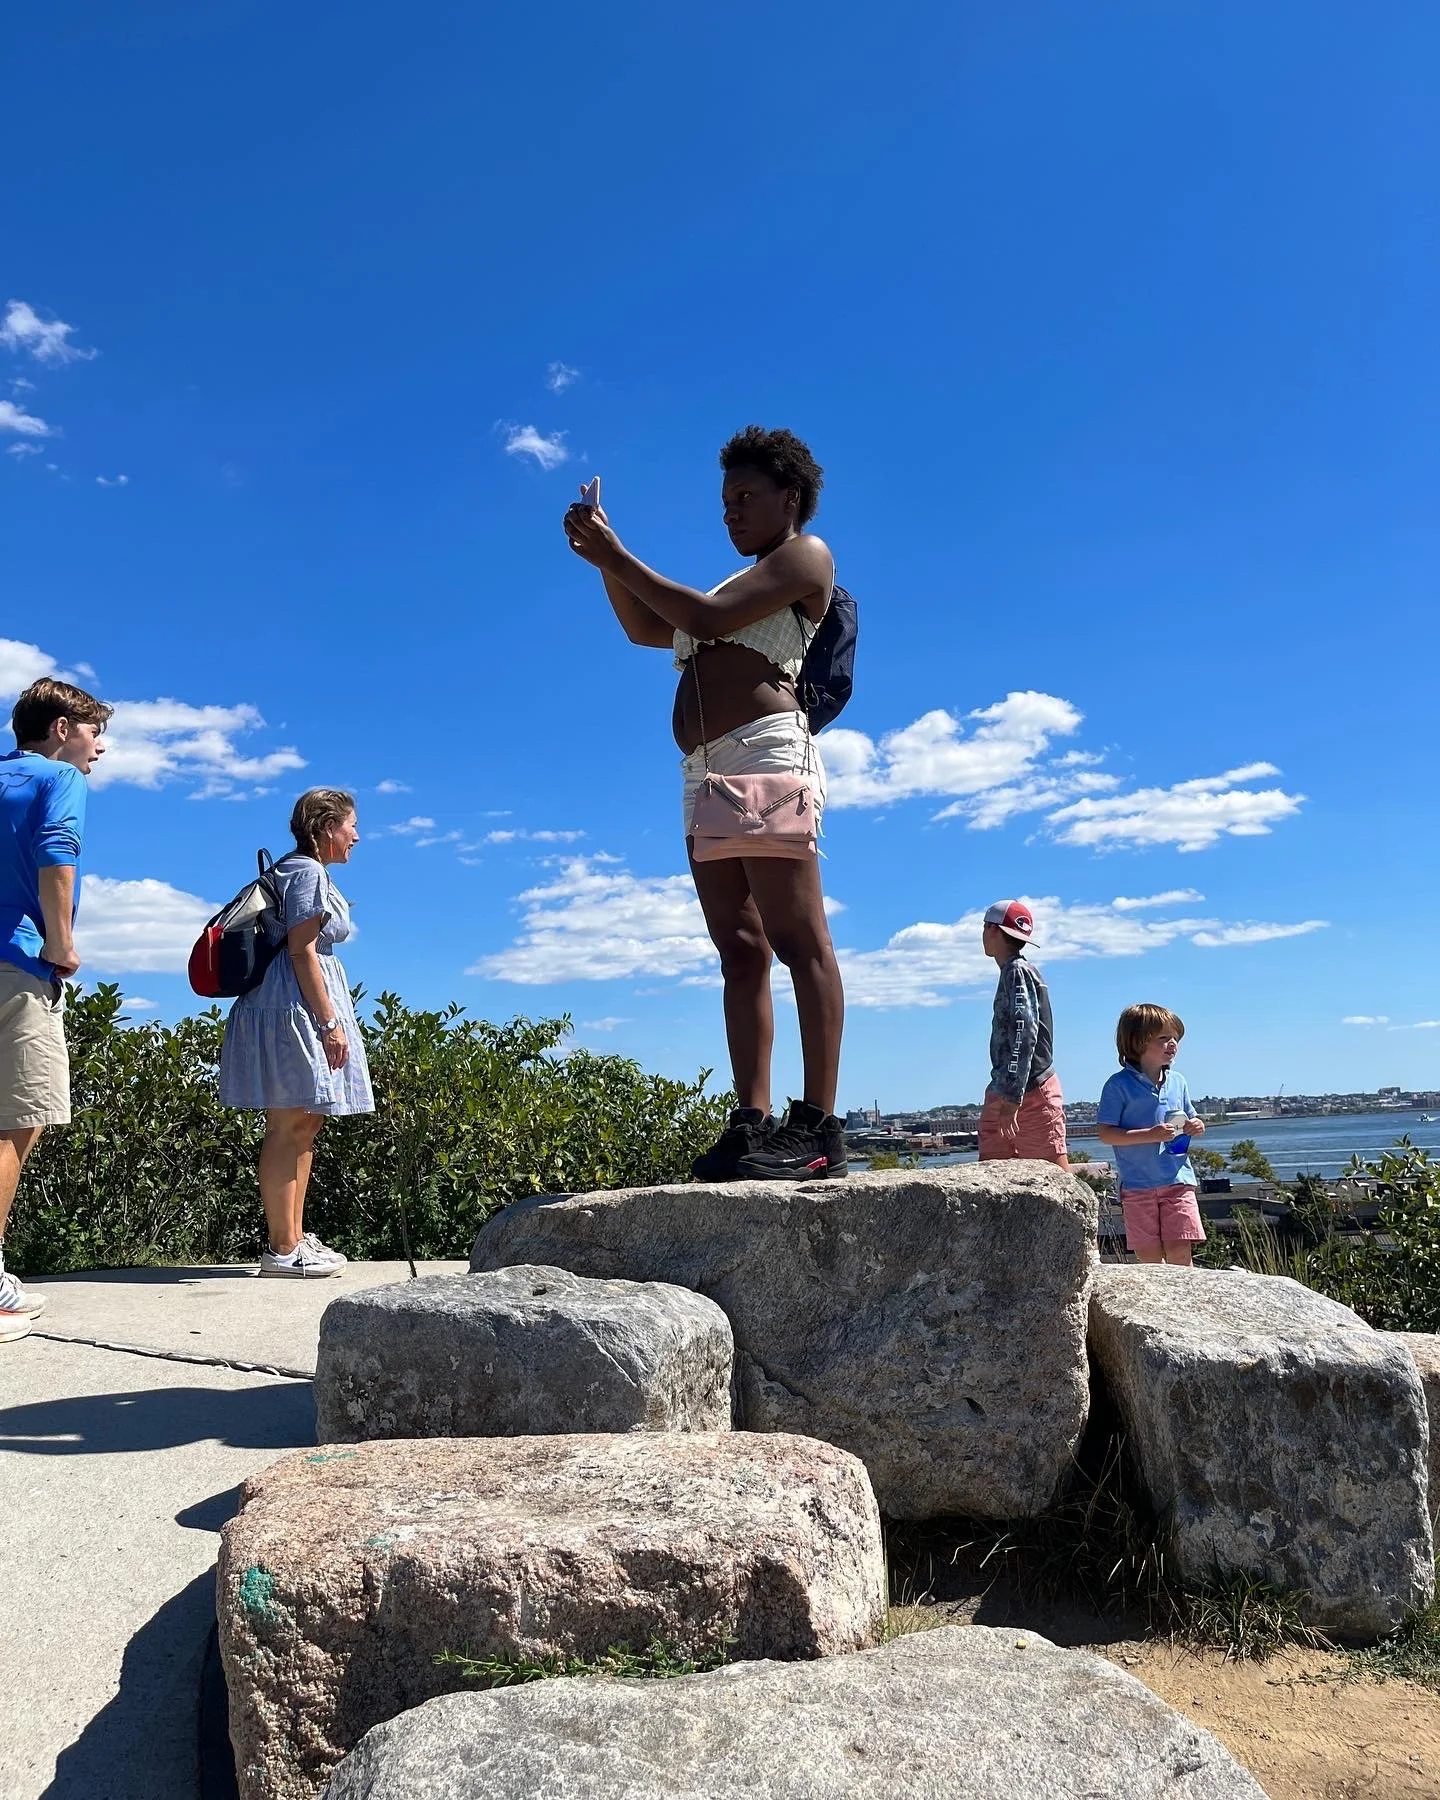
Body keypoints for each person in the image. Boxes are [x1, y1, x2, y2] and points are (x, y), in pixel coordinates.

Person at [564, 425, 847, 1181]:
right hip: (705, 772)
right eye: (725, 501)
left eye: (745, 497)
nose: (731, 512)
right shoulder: (730, 581)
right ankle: (751, 1120)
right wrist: (604, 560)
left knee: (799, 939)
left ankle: (820, 1127)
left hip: (764, 754)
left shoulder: (805, 557)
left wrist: (616, 555)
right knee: (741, 951)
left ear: (790, 498)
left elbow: (707, 621)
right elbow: (646, 628)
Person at [219, 789, 373, 1275]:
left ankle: (293, 1238)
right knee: (290, 1124)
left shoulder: (300, 870)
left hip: (292, 1002)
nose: (356, 836)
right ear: (327, 827)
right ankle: (282, 1249)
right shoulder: (306, 871)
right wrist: (329, 1023)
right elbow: (303, 950)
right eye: (351, 826)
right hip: (292, 1006)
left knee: (306, 1121)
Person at [0, 678, 112, 1340]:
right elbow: (56, 861)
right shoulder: (58, 779)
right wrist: (62, 945)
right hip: (16, 964)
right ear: (63, 726)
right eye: (95, 731)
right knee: (16, 1124)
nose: (100, 747)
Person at [1096, 1003, 1207, 1265]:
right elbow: (1106, 1133)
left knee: (1181, 1253)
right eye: (1163, 1038)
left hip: (1178, 1180)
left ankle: (1184, 1304)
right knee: (1150, 1260)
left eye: (1175, 1038)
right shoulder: (1118, 1085)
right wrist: (1151, 1134)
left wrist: (1196, 1126)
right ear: (1137, 1041)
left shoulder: (1178, 1081)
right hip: (1138, 1186)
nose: (1172, 1044)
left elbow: (1189, 1117)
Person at [977, 900, 1069, 1168]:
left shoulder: (1017, 971)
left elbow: (1023, 1031)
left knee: (1053, 1173)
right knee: (992, 1168)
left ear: (993, 930)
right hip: (1008, 1088)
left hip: (1028, 1090)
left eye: (985, 927)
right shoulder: (1016, 971)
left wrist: (1012, 1097)